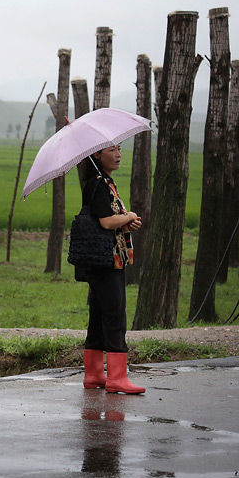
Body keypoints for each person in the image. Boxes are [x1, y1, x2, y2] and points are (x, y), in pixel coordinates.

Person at [78, 145, 145, 394]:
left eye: (119, 149)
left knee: (98, 315)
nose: (118, 154)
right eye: (111, 150)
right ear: (96, 154)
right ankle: (117, 377)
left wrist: (127, 222)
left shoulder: (104, 181)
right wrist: (130, 216)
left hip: (105, 258)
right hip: (106, 260)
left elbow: (105, 220)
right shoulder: (98, 183)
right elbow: (106, 222)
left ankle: (94, 374)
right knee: (115, 315)